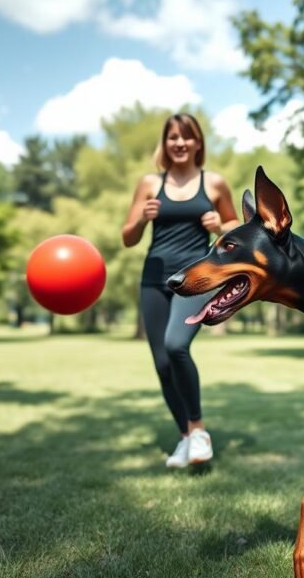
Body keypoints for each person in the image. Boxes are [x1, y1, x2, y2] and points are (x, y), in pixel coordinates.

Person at [121, 113, 239, 468]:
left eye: (186, 137)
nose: (180, 143)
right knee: (160, 363)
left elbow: (236, 225)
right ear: (165, 142)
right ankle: (187, 439)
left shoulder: (214, 183)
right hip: (154, 277)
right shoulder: (148, 184)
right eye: (173, 137)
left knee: (176, 346)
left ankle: (199, 429)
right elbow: (127, 238)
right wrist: (142, 217)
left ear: (198, 142)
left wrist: (221, 225)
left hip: (196, 277)